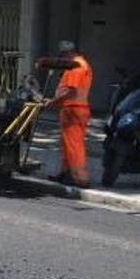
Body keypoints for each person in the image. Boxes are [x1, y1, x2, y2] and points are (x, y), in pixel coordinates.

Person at [48, 40, 93, 188]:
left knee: (74, 144)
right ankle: (65, 173)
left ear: (67, 54)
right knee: (67, 143)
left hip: (74, 109)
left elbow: (71, 91)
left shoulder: (75, 67)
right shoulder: (80, 64)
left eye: (62, 56)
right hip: (74, 108)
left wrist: (53, 102)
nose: (61, 60)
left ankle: (80, 178)